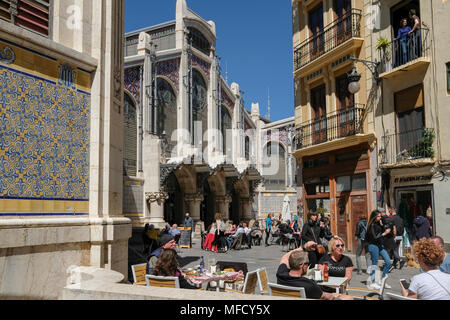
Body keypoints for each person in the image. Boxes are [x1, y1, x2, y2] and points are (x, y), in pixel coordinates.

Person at [276, 248, 354, 300]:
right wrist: (339, 295)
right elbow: (327, 296)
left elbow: (284, 258)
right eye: (307, 263)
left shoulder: (280, 274)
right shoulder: (308, 285)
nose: (308, 265)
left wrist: (303, 247)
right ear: (302, 265)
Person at [366, 210, 392, 290]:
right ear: (374, 217)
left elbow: (383, 233)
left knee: (388, 262)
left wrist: (383, 226)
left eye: (380, 216)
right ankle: (373, 282)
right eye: (378, 216)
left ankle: (382, 280)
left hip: (380, 245)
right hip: (373, 245)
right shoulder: (371, 225)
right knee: (375, 264)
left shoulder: (379, 224)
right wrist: (384, 233)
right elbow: (375, 238)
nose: (380, 217)